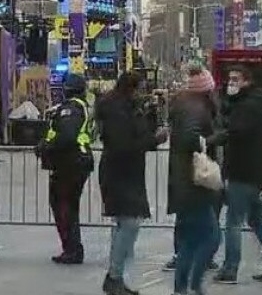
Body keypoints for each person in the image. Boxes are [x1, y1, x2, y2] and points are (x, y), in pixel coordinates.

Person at [210, 65, 262, 284]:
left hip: (243, 172)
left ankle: (230, 269)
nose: (231, 83)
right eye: (229, 79)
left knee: (233, 222)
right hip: (258, 172)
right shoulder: (255, 103)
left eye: (236, 79)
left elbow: (235, 132)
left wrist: (212, 140)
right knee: (257, 220)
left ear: (247, 82)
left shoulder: (246, 106)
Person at [96, 71, 168, 295]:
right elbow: (124, 142)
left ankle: (116, 275)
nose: (143, 92)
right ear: (131, 88)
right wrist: (154, 140)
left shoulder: (127, 107)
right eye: (141, 88)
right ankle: (114, 276)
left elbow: (136, 133)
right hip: (120, 172)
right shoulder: (118, 110)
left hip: (125, 172)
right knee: (130, 223)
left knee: (124, 223)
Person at [168, 66, 222, 295]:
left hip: (183, 183)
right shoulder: (196, 109)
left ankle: (182, 287)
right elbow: (191, 138)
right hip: (194, 185)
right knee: (211, 237)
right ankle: (194, 284)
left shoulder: (185, 105)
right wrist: (212, 139)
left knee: (190, 240)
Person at [39, 73, 96, 265]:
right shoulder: (76, 107)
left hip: (71, 163)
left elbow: (67, 136)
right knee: (66, 206)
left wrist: (46, 147)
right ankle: (71, 248)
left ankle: (72, 249)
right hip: (72, 163)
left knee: (65, 207)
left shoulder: (71, 109)